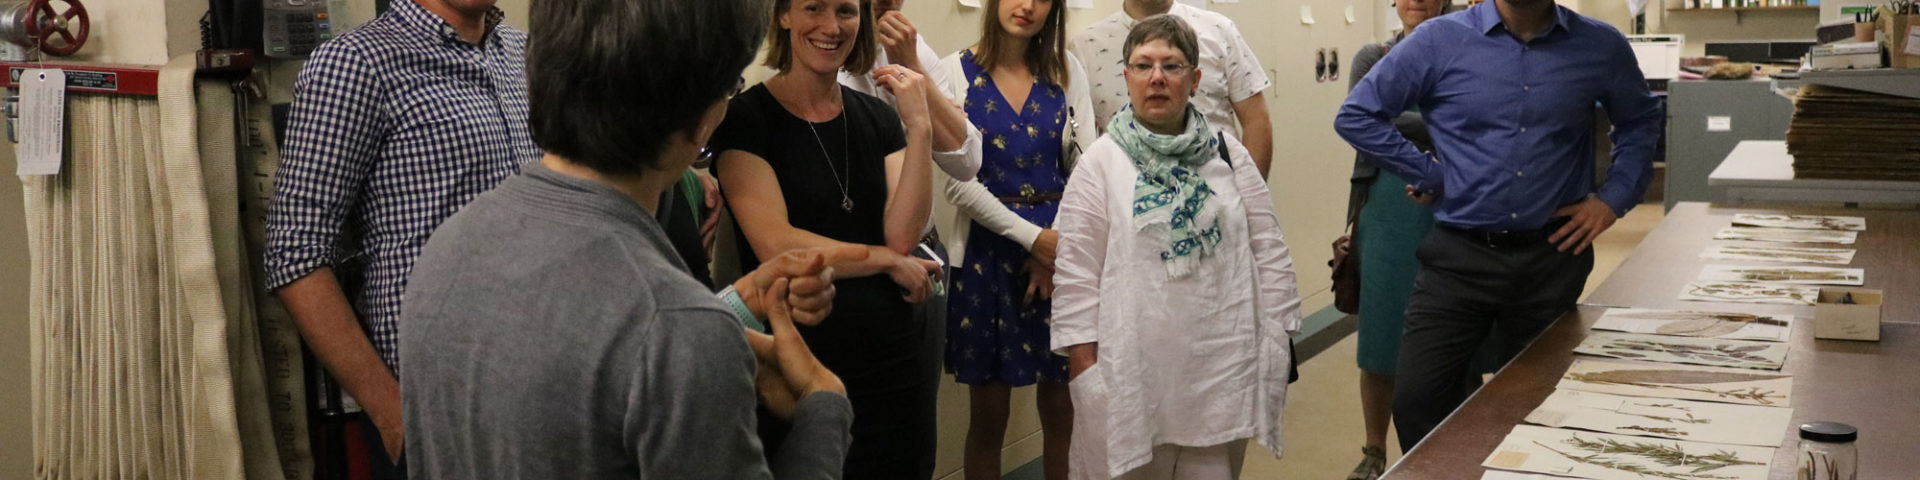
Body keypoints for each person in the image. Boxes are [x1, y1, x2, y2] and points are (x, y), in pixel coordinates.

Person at [399, 0, 859, 476]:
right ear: (702, 115)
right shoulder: (674, 328)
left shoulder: (449, 246)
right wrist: (823, 408)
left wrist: (717, 327)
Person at [1334, 0, 1663, 451]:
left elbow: (1641, 120)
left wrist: (1612, 200)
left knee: (1539, 402)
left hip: (1551, 257)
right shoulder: (1439, 40)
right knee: (1417, 401)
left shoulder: (1599, 45)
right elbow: (1357, 114)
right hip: (1457, 255)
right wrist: (1427, 173)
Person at [262, 0, 537, 474]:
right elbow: (294, 253)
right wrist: (390, 412)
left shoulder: (526, 54)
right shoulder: (356, 63)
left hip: (543, 393)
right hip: (437, 411)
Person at [1052, 15, 1302, 480]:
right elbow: (1076, 275)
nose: (1157, 78)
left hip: (1218, 369)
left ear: (1195, 79)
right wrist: (1084, 368)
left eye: (1172, 65)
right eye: (1143, 65)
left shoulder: (1228, 153)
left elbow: (1268, 247)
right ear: (1126, 76)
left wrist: (1278, 333)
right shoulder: (1102, 164)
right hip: (1132, 375)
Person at [710, 0, 944, 477]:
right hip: (796, 361)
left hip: (891, 356)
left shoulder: (877, 119)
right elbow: (777, 243)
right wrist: (882, 259)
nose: (831, 27)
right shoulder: (746, 118)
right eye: (813, 7)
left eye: (845, 11)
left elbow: (903, 234)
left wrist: (919, 128)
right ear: (782, 16)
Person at [1334, 1, 1504, 478]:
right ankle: (1374, 449)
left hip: (1462, 205)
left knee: (1465, 328)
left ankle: (1463, 440)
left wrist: (1399, 123)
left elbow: (1486, 122)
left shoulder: (1474, 48)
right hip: (1388, 211)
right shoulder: (1374, 56)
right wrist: (1442, 129)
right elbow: (1364, 125)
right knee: (1382, 334)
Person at [930, 0, 1096, 478]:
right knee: (988, 419)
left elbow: (1086, 167)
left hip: (1064, 252)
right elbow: (957, 181)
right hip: (986, 255)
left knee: (1064, 409)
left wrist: (1053, 248)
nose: (1027, 5)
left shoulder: (1066, 71)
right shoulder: (951, 72)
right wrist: (1033, 240)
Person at [1071, 0, 1274, 176]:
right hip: (1126, 203)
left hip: (1219, 195)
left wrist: (1247, 197)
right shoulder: (1085, 46)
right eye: (1143, 66)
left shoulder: (1219, 30)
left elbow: (1255, 120)